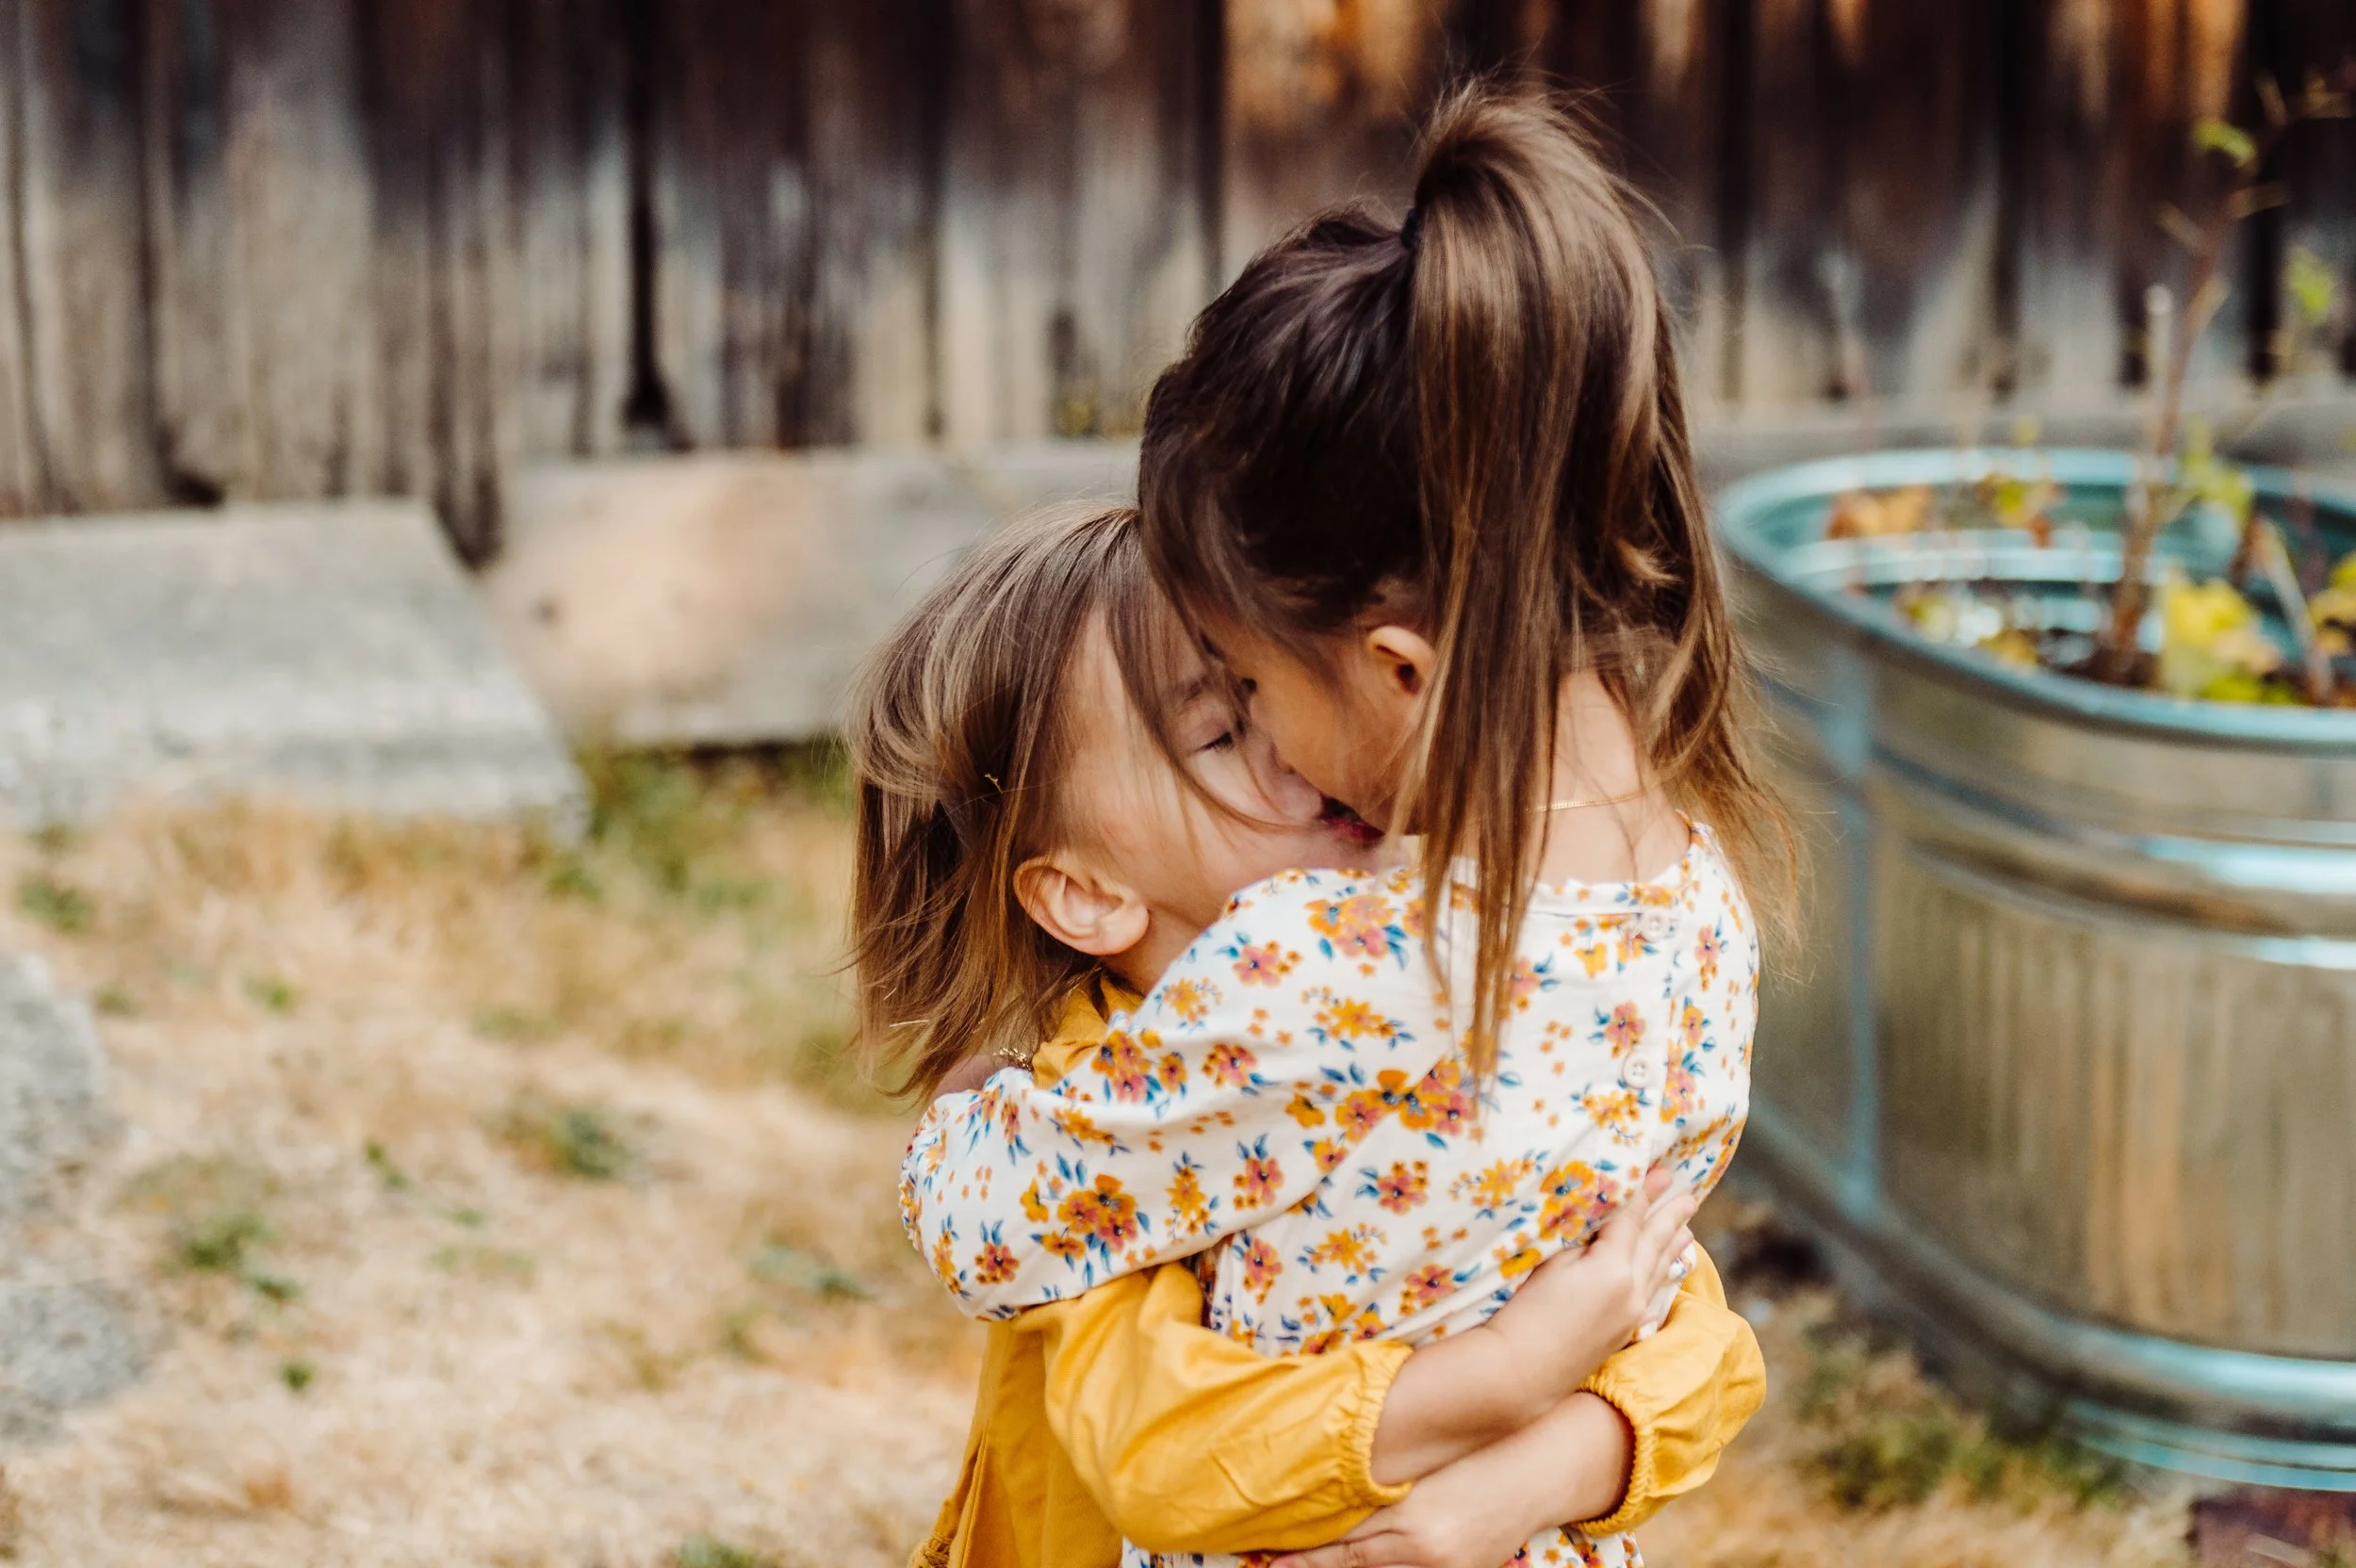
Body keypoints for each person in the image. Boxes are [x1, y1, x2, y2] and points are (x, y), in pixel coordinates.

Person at [897, 85, 1786, 1568]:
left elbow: (994, 1229)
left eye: (1247, 680)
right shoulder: (1704, 911)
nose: (1267, 737)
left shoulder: (1324, 966)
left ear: (1396, 670)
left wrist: (969, 1113)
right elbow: (1667, 1318)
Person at [856, 510, 1761, 1568]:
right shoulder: (1217, 1057)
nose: (1292, 739)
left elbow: (1688, 1324)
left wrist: (961, 1121)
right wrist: (1544, 1425)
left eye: (1270, 678)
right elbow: (1686, 1332)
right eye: (1222, 729)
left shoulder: (1434, 975)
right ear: (1083, 893)